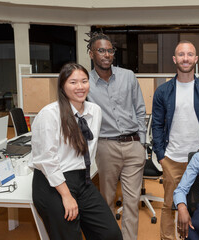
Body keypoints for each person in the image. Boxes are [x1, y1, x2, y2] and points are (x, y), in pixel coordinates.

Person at [29, 63, 122, 240]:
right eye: (73, 82)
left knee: (110, 234)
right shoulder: (49, 114)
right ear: (62, 86)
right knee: (69, 236)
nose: (80, 87)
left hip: (82, 180)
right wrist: (66, 195)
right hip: (53, 183)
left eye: (84, 81)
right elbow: (47, 160)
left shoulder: (95, 111)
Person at [152, 40, 199, 240]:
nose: (185, 58)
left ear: (196, 59)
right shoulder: (163, 91)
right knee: (169, 205)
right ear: (175, 59)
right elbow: (156, 126)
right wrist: (161, 157)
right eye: (181, 54)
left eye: (189, 54)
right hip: (172, 158)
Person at [86, 31, 146, 240]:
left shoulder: (128, 76)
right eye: (101, 50)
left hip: (133, 145)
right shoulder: (85, 83)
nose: (106, 54)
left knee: (132, 202)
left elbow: (140, 108)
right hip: (106, 147)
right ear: (91, 54)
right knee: (107, 200)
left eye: (110, 50)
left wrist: (143, 143)